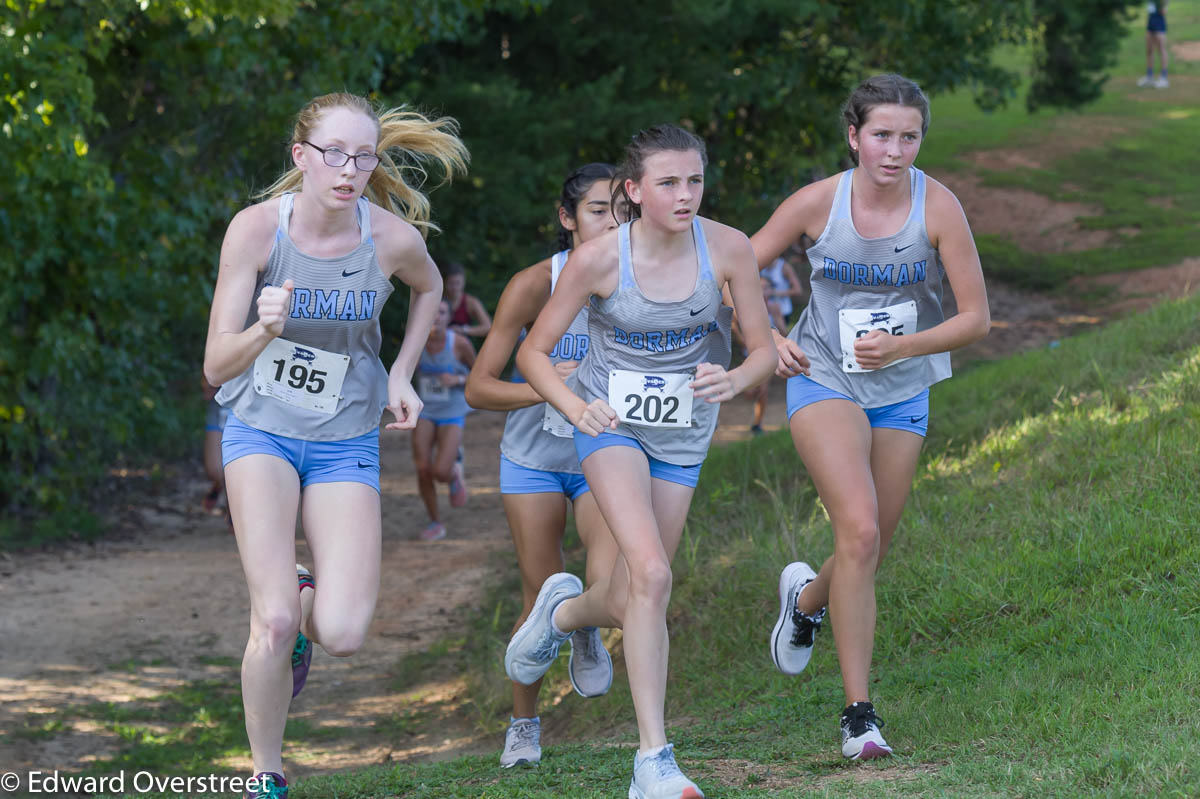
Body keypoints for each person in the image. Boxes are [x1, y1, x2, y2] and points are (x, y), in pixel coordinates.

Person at [203, 92, 467, 798]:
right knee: (274, 615)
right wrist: (263, 330)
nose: (350, 169)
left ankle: (300, 590)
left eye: (364, 155)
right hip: (260, 429)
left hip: (345, 435)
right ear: (302, 157)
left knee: (343, 630)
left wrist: (403, 373)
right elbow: (215, 365)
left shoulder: (389, 239)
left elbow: (430, 286)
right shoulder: (257, 232)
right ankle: (266, 773)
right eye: (334, 154)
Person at [509, 125, 776, 799]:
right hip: (610, 426)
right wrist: (575, 408)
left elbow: (764, 349)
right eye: (667, 183)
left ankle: (563, 615)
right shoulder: (600, 259)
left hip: (683, 435)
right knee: (652, 572)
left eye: (694, 181)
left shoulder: (729, 248)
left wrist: (737, 379)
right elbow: (532, 354)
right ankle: (653, 760)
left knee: (636, 591)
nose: (685, 195)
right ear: (634, 190)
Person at [753, 74, 989, 760]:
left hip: (902, 384)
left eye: (908, 136)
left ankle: (804, 603)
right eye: (881, 135)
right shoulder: (816, 204)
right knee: (855, 526)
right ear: (853, 135)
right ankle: (860, 716)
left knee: (869, 543)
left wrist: (904, 346)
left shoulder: (938, 207)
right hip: (823, 375)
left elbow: (976, 317)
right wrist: (769, 336)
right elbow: (731, 266)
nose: (894, 150)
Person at [464, 162, 626, 768]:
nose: (612, 222)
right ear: (567, 218)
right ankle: (524, 727)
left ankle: (583, 621)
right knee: (537, 591)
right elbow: (479, 388)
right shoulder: (535, 284)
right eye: (596, 210)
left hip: (604, 455)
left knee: (608, 587)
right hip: (532, 456)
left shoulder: (644, 278)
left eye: (622, 210)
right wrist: (548, 386)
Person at [412, 298, 476, 541]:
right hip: (425, 410)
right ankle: (435, 521)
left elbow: (480, 374)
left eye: (441, 312)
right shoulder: (416, 342)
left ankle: (453, 472)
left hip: (452, 411)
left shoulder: (459, 344)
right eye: (432, 312)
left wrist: (457, 380)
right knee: (422, 468)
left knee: (439, 471)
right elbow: (401, 373)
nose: (436, 317)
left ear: (449, 318)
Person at [441, 260, 492, 340]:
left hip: (461, 346)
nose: (454, 288)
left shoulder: (471, 302)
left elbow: (487, 327)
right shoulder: (438, 300)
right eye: (451, 283)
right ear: (444, 282)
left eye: (457, 283)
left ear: (464, 282)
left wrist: (464, 330)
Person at [202, 376, 230, 513]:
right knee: (215, 469)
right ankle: (218, 484)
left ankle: (232, 511)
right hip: (220, 405)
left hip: (252, 407)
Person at [1137, 2, 1169, 89]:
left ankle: (1164, 77)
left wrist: (1162, 5)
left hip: (1159, 23)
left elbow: (1163, 10)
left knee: (1161, 50)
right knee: (1149, 50)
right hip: (1151, 22)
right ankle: (1149, 76)